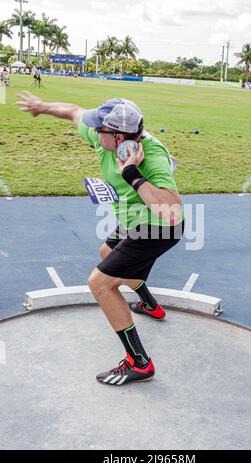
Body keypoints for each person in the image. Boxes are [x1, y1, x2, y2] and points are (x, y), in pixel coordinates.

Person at [16, 93, 185, 386]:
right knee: (107, 252)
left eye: (100, 130)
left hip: (157, 227)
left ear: (120, 138)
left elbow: (171, 212)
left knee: (100, 283)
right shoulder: (103, 138)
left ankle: (139, 362)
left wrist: (132, 174)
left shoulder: (152, 157)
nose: (94, 132)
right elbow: (71, 111)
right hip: (133, 219)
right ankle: (148, 304)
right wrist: (42, 107)